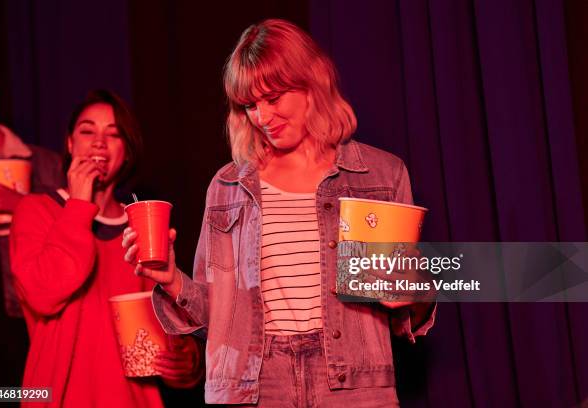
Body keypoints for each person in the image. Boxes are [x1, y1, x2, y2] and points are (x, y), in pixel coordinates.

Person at [123, 19, 435, 407]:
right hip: (254, 384)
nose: (263, 117)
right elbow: (217, 318)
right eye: (250, 105)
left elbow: (406, 310)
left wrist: (414, 289)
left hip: (351, 385)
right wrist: (169, 278)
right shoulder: (229, 186)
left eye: (273, 97)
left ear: (312, 83)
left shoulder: (380, 175)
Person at [10, 90, 204, 407]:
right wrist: (77, 207)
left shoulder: (142, 223)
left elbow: (170, 328)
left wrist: (184, 361)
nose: (99, 142)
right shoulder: (36, 211)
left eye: (113, 135)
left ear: (126, 152)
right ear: (70, 144)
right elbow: (45, 294)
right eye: (87, 131)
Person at [0, 74, 63, 387]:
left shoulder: (43, 163)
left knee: (30, 391)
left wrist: (20, 204)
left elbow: (75, 229)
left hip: (24, 305)